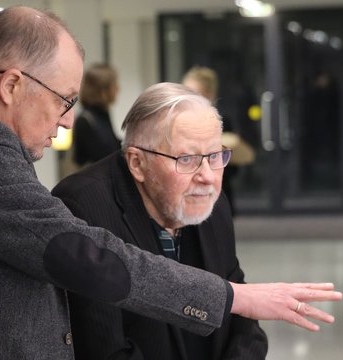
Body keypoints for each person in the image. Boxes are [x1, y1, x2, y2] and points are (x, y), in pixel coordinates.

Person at [0, 6, 341, 360]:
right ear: (11, 85)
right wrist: (235, 297)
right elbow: (79, 254)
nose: (68, 122)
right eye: (63, 100)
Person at [53, 82, 268, 359]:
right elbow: (102, 349)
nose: (207, 176)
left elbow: (244, 321)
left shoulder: (212, 202)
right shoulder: (83, 208)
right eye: (187, 159)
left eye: (214, 155)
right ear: (137, 164)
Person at [182, 66, 254, 216]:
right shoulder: (178, 123)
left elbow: (234, 167)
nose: (187, 98)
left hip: (215, 196)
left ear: (209, 95)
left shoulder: (222, 123)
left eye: (193, 93)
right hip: (187, 197)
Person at [72, 63, 120, 167]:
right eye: (114, 85)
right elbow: (104, 156)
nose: (118, 89)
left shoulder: (103, 114)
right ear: (103, 90)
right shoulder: (85, 120)